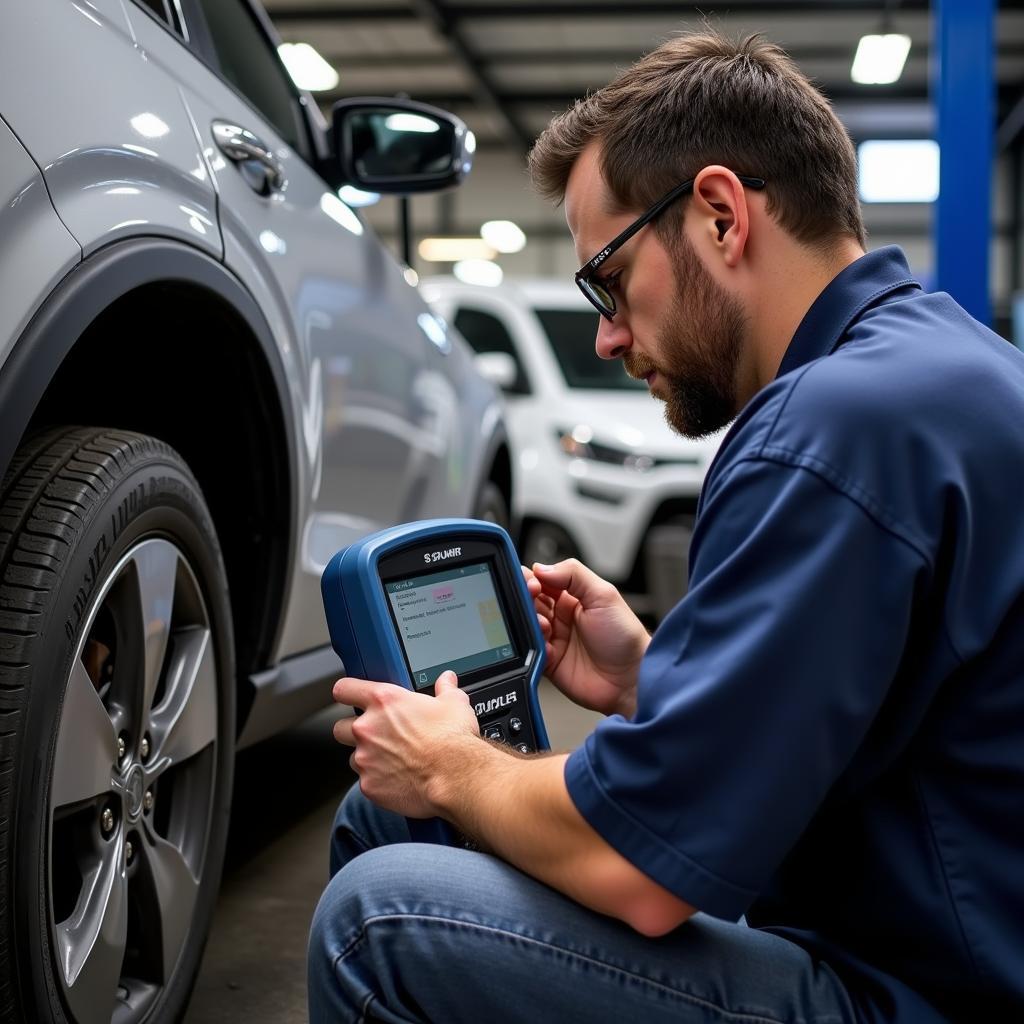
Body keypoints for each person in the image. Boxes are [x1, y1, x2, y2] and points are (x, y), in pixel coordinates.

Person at [307, 30, 1024, 1023]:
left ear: (721, 216)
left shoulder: (829, 427)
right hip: (948, 930)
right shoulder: (937, 368)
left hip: (925, 992)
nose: (606, 334)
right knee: (391, 812)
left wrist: (452, 762)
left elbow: (639, 872)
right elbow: (885, 707)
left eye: (607, 278)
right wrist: (654, 678)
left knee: (376, 920)